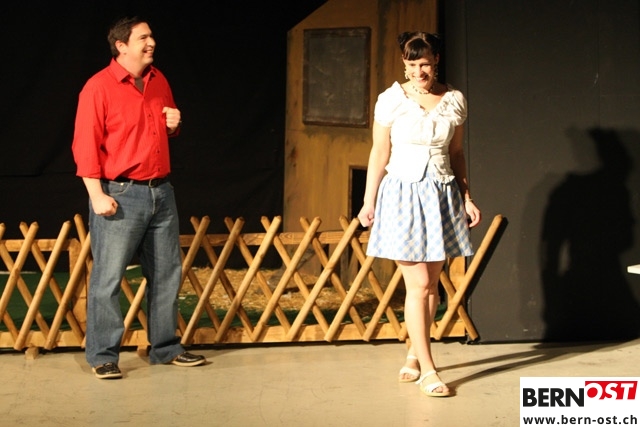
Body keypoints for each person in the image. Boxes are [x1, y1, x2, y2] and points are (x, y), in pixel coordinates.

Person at [72, 16, 206, 379]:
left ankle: (165, 347)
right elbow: (85, 145)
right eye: (143, 38)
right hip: (120, 193)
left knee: (166, 274)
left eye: (151, 36)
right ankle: (103, 355)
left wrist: (174, 126)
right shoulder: (98, 87)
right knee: (109, 277)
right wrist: (96, 194)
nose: (151, 42)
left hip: (161, 191)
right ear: (121, 46)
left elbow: (163, 128)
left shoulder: (159, 80)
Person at [357, 31, 481, 397]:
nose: (418, 72)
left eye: (424, 64)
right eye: (411, 64)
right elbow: (379, 152)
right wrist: (369, 200)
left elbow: (456, 154)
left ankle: (414, 353)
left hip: (441, 194)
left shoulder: (454, 100)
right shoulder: (391, 100)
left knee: (431, 286)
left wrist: (467, 197)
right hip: (402, 195)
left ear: (436, 60)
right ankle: (429, 370)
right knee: (418, 285)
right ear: (404, 63)